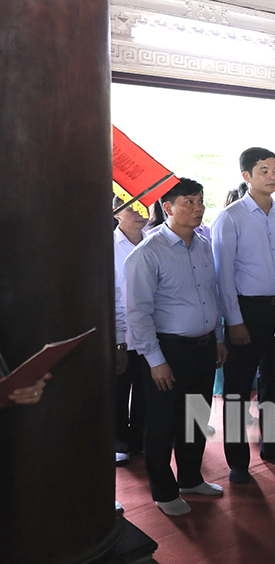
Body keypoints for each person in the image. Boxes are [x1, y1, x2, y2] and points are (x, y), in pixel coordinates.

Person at [125, 178, 227, 516]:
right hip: (167, 350)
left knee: (195, 417)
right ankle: (164, 492)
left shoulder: (202, 245)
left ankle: (191, 478)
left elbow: (211, 295)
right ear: (167, 208)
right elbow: (138, 312)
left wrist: (219, 338)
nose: (198, 208)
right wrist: (155, 360)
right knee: (162, 421)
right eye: (189, 202)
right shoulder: (147, 253)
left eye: (200, 201)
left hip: (203, 346)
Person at [212, 147, 275, 484]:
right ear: (246, 176)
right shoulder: (231, 217)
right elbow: (223, 276)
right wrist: (234, 321)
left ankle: (274, 446)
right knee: (236, 387)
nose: (273, 176)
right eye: (264, 170)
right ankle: (237, 460)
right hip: (246, 311)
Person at [113, 197, 149, 464]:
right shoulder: (108, 246)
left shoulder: (155, 243)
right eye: (131, 208)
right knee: (118, 390)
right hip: (121, 334)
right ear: (115, 212)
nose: (139, 213)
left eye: (142, 207)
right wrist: (117, 343)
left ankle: (140, 439)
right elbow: (112, 297)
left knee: (147, 391)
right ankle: (118, 441)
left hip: (150, 332)